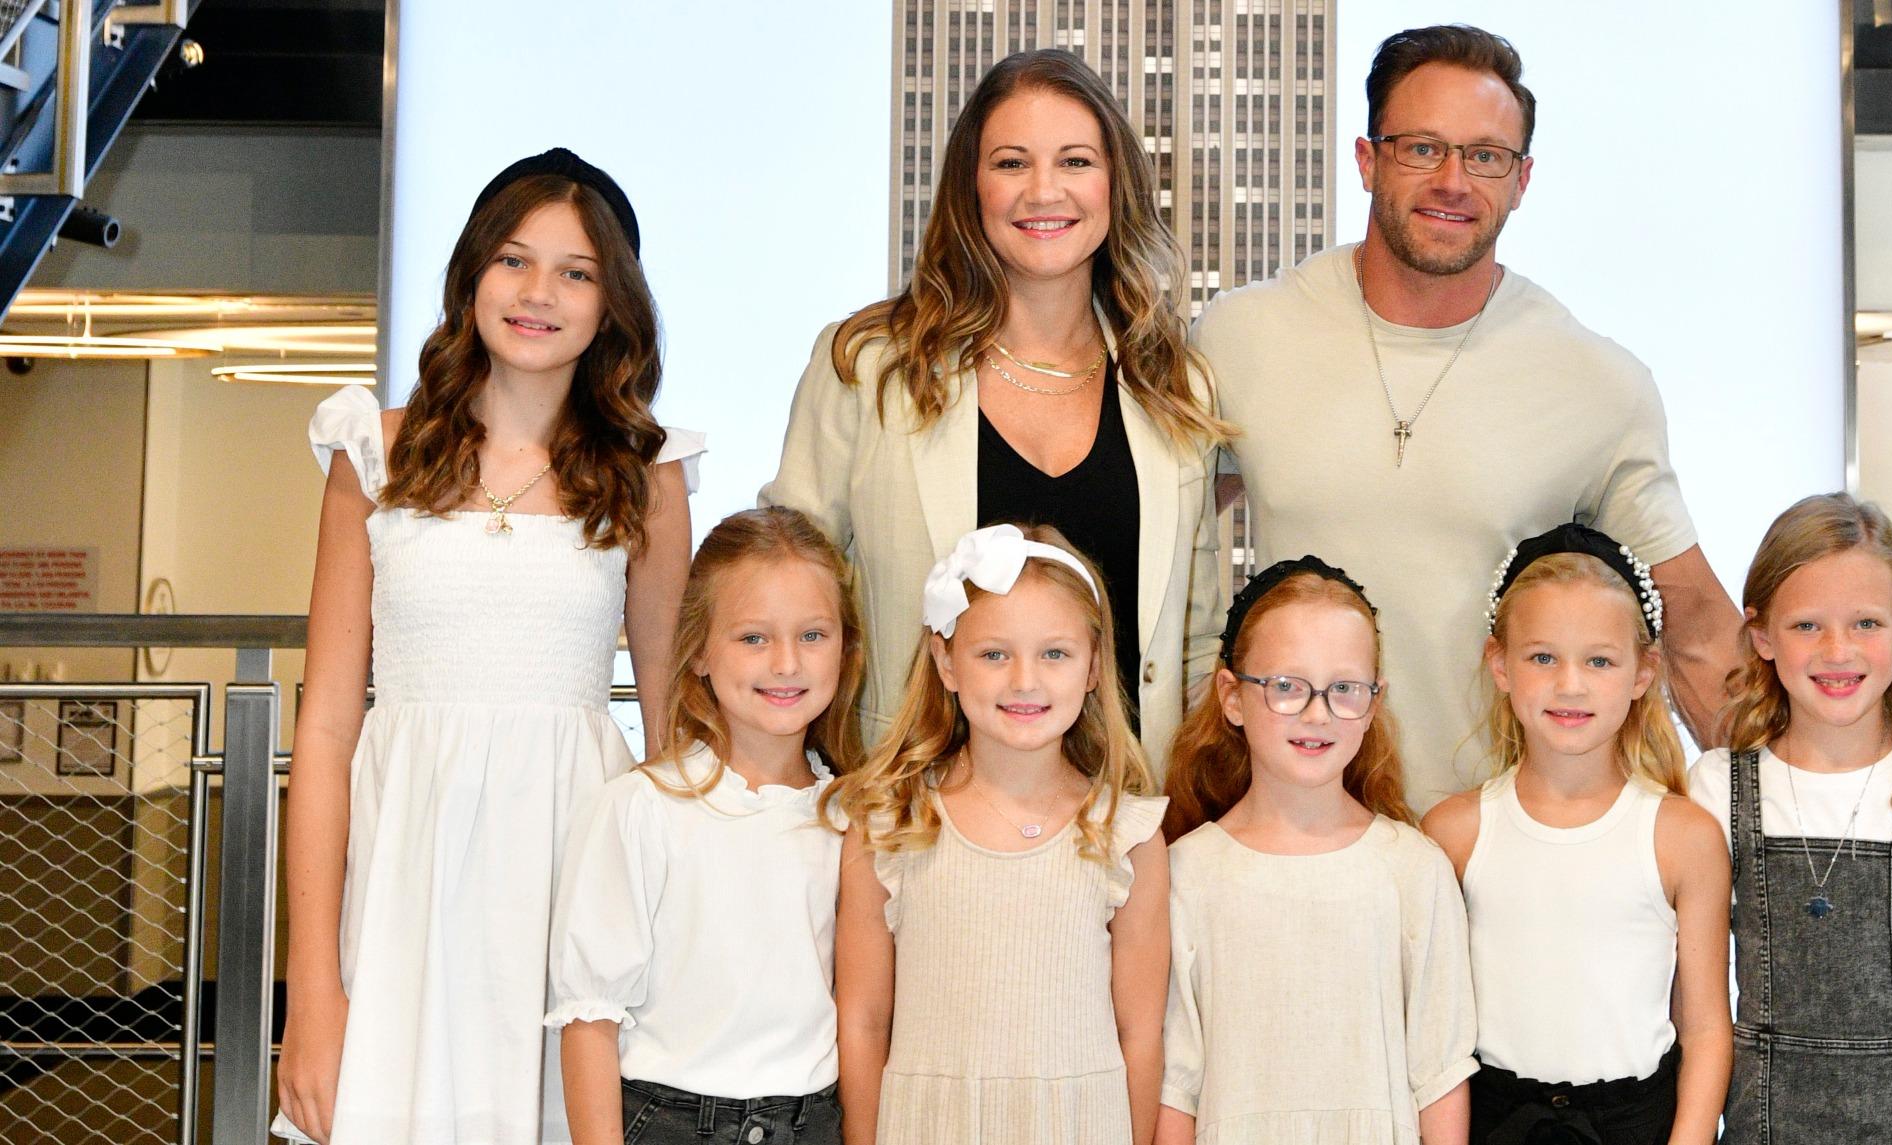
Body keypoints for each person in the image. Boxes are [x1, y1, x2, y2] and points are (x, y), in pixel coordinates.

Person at [1193, 24, 1743, 807]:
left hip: (1505, 853)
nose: (1453, 179)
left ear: (1520, 181)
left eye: (1484, 156)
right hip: (1297, 833)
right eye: (1421, 148)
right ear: (1366, 159)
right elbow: (1158, 554)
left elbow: (1691, 626)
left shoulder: (1595, 381)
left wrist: (1817, 802)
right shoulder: (1241, 337)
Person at [274, 148, 703, 1143]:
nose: (538, 292)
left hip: (573, 863)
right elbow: (330, 725)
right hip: (400, 878)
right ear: (471, 274)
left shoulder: (650, 472)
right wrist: (314, 987)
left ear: (613, 305)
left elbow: (678, 725)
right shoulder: (373, 451)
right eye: (514, 260)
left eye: (576, 270)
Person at [764, 48, 1229, 770]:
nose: (1044, 192)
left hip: (1125, 823)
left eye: (1075, 161)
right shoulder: (870, 366)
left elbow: (1195, 640)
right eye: (1011, 163)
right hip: (916, 818)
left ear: (1116, 185)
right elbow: (787, 593)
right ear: (969, 187)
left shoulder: (1175, 385)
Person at [1687, 493, 1892, 1145]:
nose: (1836, 650)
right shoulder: (1715, 788)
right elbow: (1698, 1014)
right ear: (1760, 634)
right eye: (1806, 625)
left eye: (1864, 623)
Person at [826, 524, 1169, 1145]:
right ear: (945, 661)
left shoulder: (1128, 834)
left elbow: (1140, 1033)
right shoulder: (888, 825)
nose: (1024, 681)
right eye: (993, 654)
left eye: (1055, 653)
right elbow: (865, 1023)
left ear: (1094, 665)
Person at [546, 507, 864, 1145]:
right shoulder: (640, 808)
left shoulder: (852, 817)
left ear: (846, 648)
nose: (786, 664)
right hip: (666, 1122)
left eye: (812, 635)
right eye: (753, 638)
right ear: (697, 652)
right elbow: (589, 1018)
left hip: (813, 1121)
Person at [1422, 523, 1732, 1145]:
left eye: (1599, 660)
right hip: (1494, 1123)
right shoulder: (1453, 833)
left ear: (1643, 672)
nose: (1570, 684)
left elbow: (1703, 1028)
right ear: (1499, 664)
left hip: (1638, 1125)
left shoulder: (1684, 837)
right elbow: (1434, 1033)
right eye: (1543, 657)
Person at [1156, 557, 1477, 1145]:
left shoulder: (1414, 870)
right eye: (1285, 686)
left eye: (1344, 689)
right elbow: (1176, 1087)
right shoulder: (1184, 876)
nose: (1317, 713)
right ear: (1231, 696)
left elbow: (1440, 1076)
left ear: (1374, 703)